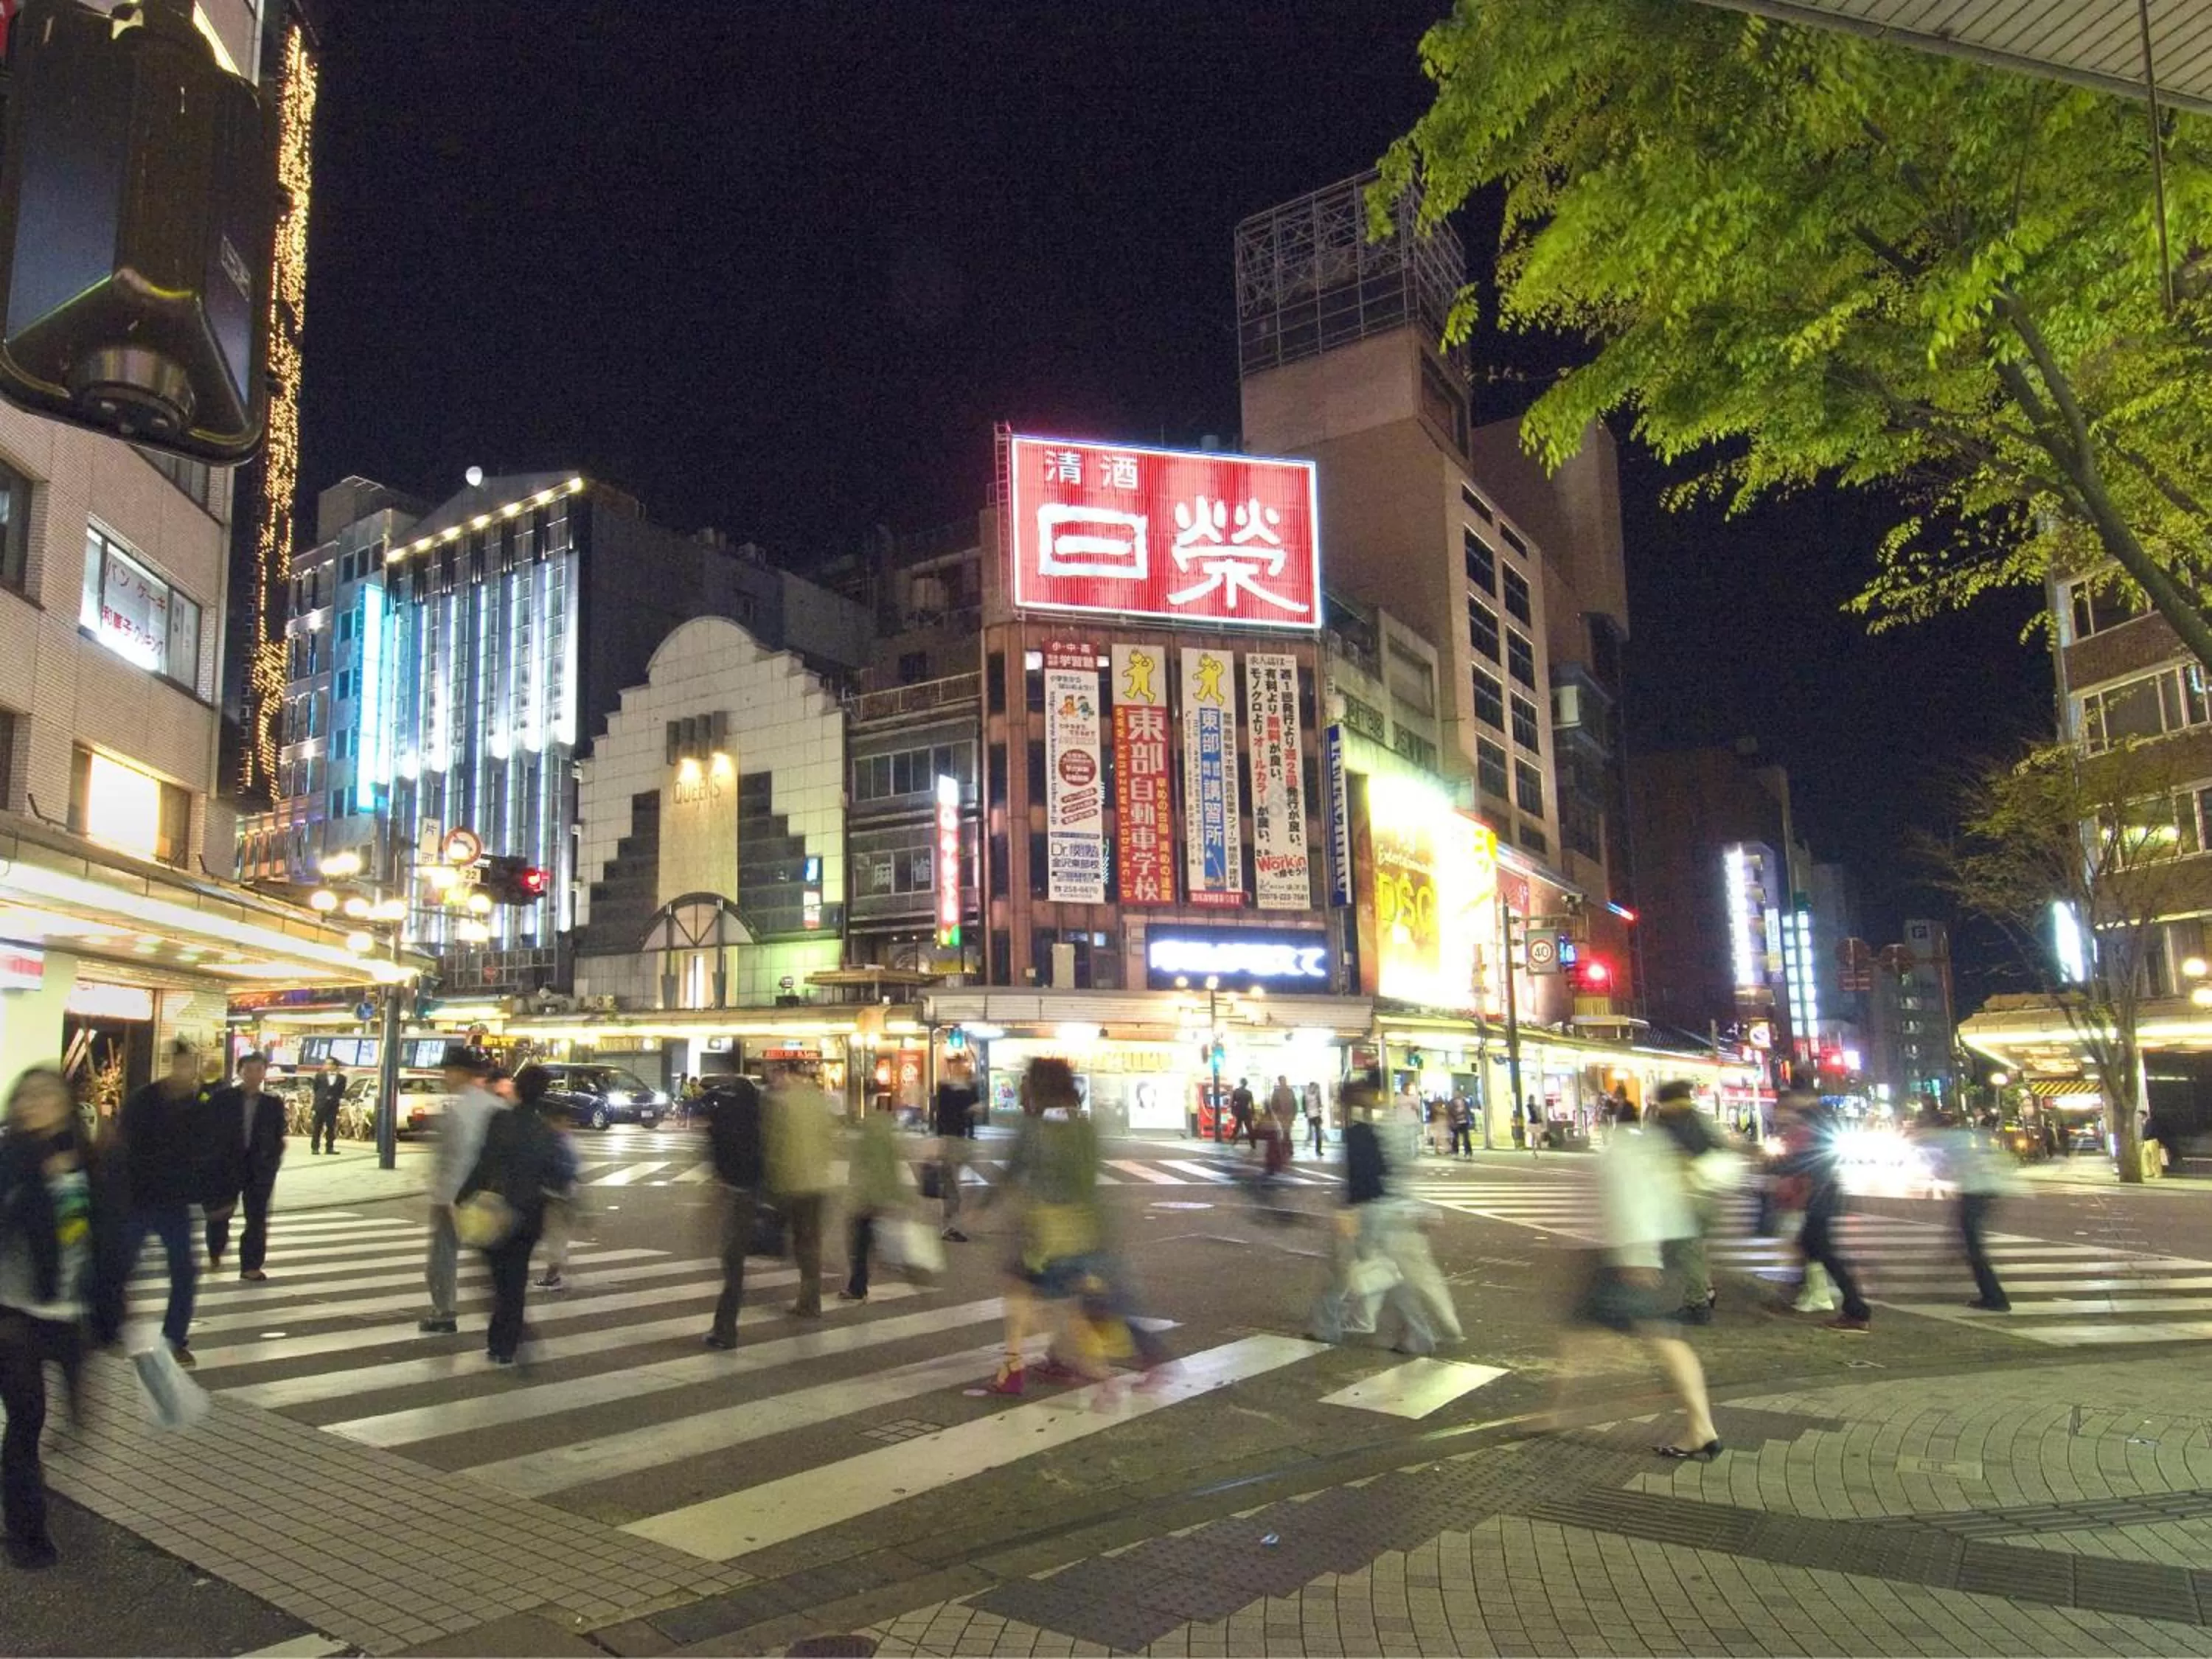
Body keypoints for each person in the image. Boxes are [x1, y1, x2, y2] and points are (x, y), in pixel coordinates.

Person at [0, 1066, 127, 1570]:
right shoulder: (9, 1159)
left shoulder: (89, 1162)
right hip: (13, 1315)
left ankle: (19, 1481)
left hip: (68, 1313)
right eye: (27, 1098)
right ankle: (27, 1534)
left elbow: (108, 1240)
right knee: (27, 1422)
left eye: (47, 1096)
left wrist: (113, 1310)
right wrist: (37, 1176)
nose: (36, 1105)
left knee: (79, 1416)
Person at [1552, 1099, 1722, 1461]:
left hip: (1632, 1257)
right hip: (1645, 1252)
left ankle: (1701, 1427)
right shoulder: (1654, 1148)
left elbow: (1632, 1204)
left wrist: (1638, 1258)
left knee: (1653, 1337)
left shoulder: (1624, 1151)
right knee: (1611, 1334)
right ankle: (1558, 1412)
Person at [117, 1040, 220, 1366]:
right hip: (139, 1198)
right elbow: (123, 1147)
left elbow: (207, 1155)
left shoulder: (198, 1104)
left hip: (175, 1203)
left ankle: (175, 1338)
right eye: (179, 1063)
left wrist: (213, 1199)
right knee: (119, 1266)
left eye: (190, 1064)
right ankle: (107, 1322)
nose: (184, 1070)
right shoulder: (143, 1101)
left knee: (184, 1272)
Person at [455, 1064, 563, 1365]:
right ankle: (506, 1342)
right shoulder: (545, 1130)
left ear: (516, 1089)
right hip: (530, 1213)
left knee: (500, 1279)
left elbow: (484, 1162)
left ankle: (500, 1340)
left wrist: (463, 1196)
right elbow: (555, 1176)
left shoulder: (500, 1120)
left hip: (497, 1209)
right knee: (515, 1280)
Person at [1772, 1075, 1872, 1333]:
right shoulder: (1820, 1122)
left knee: (1824, 1250)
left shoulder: (1813, 1126)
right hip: (1820, 1194)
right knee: (1812, 1246)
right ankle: (1823, 1297)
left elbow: (1806, 1161)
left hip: (1819, 1195)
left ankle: (1856, 1309)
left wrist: (1780, 1166)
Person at [419, 1047, 503, 1336]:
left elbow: (449, 1161)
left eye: (448, 1071)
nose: (445, 1076)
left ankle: (444, 1312)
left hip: (455, 1196)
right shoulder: (495, 1106)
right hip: (493, 1194)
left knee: (443, 1257)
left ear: (460, 1073)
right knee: (495, 1259)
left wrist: (442, 1197)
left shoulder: (458, 1112)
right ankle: (505, 1312)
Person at [1649, 1079, 1740, 1324]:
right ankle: (1702, 1292)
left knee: (1687, 1252)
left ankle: (1698, 1305)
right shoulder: (1699, 1119)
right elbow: (1725, 1146)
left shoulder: (1669, 1125)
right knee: (1688, 1250)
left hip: (1686, 1198)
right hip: (1703, 1196)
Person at [206, 1052, 286, 1283]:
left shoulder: (272, 1104)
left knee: (257, 1218)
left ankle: (251, 1265)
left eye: (259, 1070)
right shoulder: (223, 1099)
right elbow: (208, 1130)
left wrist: (272, 1161)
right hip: (226, 1166)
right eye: (249, 1070)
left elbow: (278, 1135)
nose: (254, 1075)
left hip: (259, 1169)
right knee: (220, 1214)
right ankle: (215, 1249)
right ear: (240, 1072)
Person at [1927, 1107, 2017, 1312]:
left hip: (1975, 1193)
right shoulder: (1966, 1137)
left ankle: (1995, 1298)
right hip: (1985, 1191)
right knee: (1969, 1242)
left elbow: (1942, 1169)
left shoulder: (1950, 1141)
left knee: (1974, 1248)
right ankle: (1987, 1292)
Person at [765, 1064, 835, 1318]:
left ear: (785, 1075)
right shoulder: (817, 1101)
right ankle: (810, 1298)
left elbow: (774, 1144)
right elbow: (828, 1137)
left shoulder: (782, 1103)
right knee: (811, 1243)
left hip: (794, 1182)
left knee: (801, 1243)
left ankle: (808, 1302)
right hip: (818, 1181)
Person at [700, 1075, 765, 1349]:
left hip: (732, 1197)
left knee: (732, 1266)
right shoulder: (755, 1126)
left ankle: (725, 1330)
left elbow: (717, 1162)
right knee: (734, 1267)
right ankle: (725, 1327)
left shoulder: (723, 1126)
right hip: (750, 1196)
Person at [840, 1093, 905, 1302]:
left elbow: (862, 1166)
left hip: (866, 1197)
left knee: (859, 1244)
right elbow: (891, 1167)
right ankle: (861, 1283)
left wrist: (856, 1193)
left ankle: (858, 1286)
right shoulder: (887, 1131)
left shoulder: (869, 1130)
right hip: (878, 1195)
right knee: (868, 1240)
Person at [533, 1089, 581, 1291]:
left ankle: (553, 1276)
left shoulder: (558, 1142)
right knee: (556, 1237)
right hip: (565, 1196)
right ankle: (555, 1271)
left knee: (556, 1237)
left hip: (557, 1197)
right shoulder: (565, 1140)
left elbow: (565, 1170)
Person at [932, 1057, 979, 1243]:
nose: (961, 1068)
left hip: (961, 1140)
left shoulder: (967, 1086)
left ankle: (952, 1225)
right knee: (952, 1187)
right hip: (950, 1140)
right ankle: (949, 1227)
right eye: (957, 1065)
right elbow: (943, 1116)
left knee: (959, 1186)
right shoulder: (947, 1087)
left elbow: (971, 1111)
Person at [308, 1058, 347, 1155]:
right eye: (326, 1064)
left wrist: (334, 1098)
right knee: (317, 1126)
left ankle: (330, 1148)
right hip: (320, 1105)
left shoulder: (342, 1078)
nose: (326, 1065)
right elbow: (316, 1089)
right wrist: (320, 1099)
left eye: (329, 1064)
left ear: (335, 1066)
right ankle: (315, 1148)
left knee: (331, 1127)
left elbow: (341, 1091)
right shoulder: (319, 1076)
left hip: (333, 1105)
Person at [1228, 1078, 1255, 1146]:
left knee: (1237, 1126)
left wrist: (1232, 1110)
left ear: (1240, 1083)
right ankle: (1253, 1143)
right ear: (1246, 1084)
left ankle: (1232, 1139)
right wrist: (1253, 1113)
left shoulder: (1236, 1091)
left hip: (1238, 1111)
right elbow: (1252, 1105)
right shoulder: (1249, 1093)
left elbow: (1231, 1103)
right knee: (1249, 1128)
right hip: (1246, 1111)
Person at [1448, 1093, 1475, 1158]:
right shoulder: (1451, 1103)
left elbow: (1468, 1111)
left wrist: (1470, 1118)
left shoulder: (1465, 1102)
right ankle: (1455, 1152)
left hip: (1464, 1122)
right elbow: (1449, 1113)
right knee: (1455, 1139)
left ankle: (1468, 1153)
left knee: (1466, 1138)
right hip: (1455, 1123)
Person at [1303, 1080, 1324, 1156]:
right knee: (1313, 1133)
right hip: (1312, 1115)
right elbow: (1304, 1104)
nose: (1314, 1088)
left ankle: (1317, 1149)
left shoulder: (1313, 1093)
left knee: (1315, 1133)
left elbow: (1320, 1104)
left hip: (1315, 1115)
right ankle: (1309, 1147)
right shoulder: (1309, 1093)